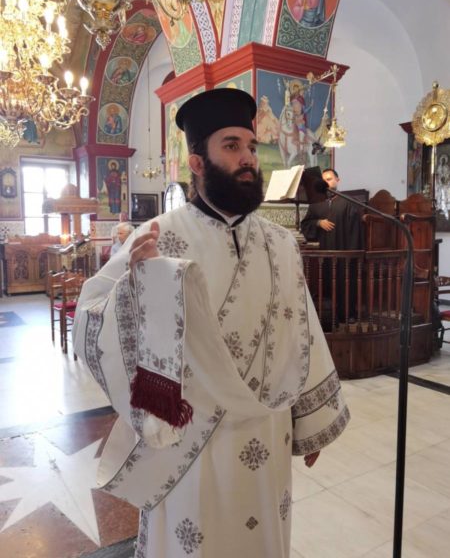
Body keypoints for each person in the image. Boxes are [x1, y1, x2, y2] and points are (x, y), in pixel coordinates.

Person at [73, 89, 349, 558]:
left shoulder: (281, 244)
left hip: (266, 430)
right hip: (190, 437)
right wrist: (132, 291)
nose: (248, 158)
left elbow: (301, 330)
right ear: (197, 162)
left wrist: (310, 417)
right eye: (231, 146)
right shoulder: (157, 236)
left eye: (250, 146)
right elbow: (90, 312)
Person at [301, 168, 362, 323]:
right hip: (325, 253)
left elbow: (356, 230)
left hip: (344, 253)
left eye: (329, 179)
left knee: (346, 284)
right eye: (324, 180)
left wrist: (352, 255)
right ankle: (328, 317)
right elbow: (305, 224)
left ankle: (347, 315)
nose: (326, 182)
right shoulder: (316, 204)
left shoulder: (349, 203)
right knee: (327, 284)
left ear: (337, 180)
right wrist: (318, 222)